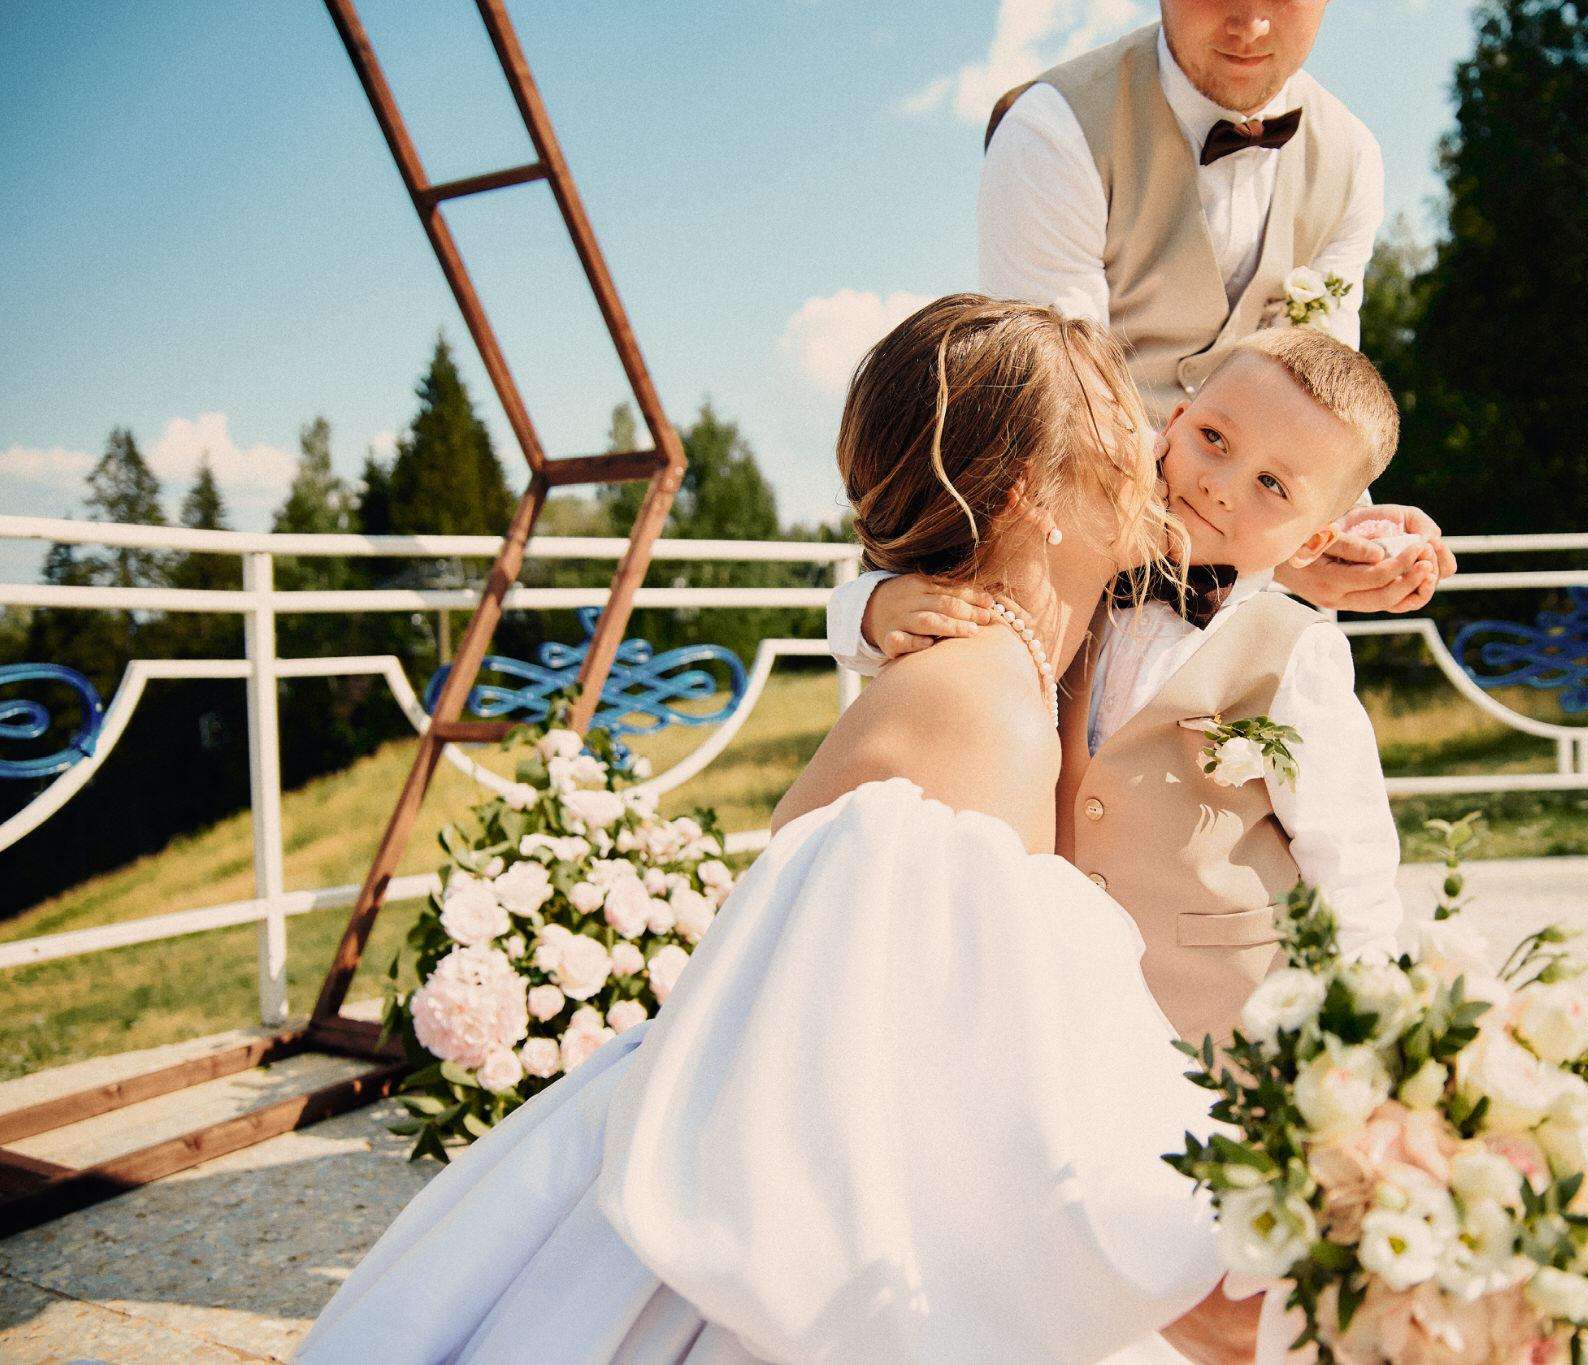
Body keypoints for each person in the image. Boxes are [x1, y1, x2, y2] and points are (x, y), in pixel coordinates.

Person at [294, 296, 1248, 1364]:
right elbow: (973, 1081)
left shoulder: (1012, 674)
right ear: (1029, 496)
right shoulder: (979, 705)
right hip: (798, 1230)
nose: (1154, 450)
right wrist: (1174, 1274)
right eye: (1120, 425)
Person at [833, 327, 1405, 1057]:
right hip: (1065, 1001)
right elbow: (901, 604)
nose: (1220, 485)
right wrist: (876, 611)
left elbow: (1350, 862)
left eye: (1272, 485)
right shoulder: (1097, 559)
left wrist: (1369, 1031)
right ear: (1171, 425)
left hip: (1224, 1021)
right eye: (1215, 439)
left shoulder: (1299, 655)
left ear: (1311, 544)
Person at [978, 0, 1456, 615]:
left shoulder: (1353, 157)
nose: (1250, 24)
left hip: (1252, 577)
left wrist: (1345, 530)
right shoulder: (1054, 125)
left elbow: (1323, 393)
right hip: (1070, 563)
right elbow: (1059, 400)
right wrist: (1267, 538)